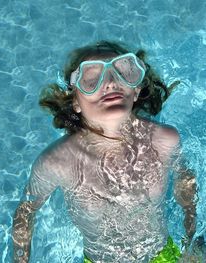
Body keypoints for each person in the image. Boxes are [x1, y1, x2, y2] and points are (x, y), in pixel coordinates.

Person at [12, 41, 202, 262]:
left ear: (136, 90)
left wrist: (190, 240)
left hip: (162, 256)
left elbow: (186, 187)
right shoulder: (57, 162)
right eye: (92, 79)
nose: (110, 83)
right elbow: (25, 213)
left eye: (123, 73)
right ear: (75, 102)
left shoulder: (165, 140)